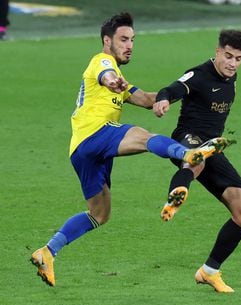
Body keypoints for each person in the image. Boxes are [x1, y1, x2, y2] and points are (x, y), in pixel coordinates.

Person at [30, 12, 229, 287]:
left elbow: (145, 98)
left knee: (100, 214)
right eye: (123, 39)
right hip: (95, 133)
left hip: (80, 151)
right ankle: (187, 154)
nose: (130, 45)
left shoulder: (120, 80)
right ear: (107, 40)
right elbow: (107, 75)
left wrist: (174, 93)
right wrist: (112, 80)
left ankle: (47, 252)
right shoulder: (102, 62)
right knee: (143, 136)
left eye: (133, 40)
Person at [153, 29, 241, 293]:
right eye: (228, 56)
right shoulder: (199, 74)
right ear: (218, 51)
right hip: (187, 139)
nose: (233, 63)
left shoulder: (231, 76)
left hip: (214, 149)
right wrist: (164, 99)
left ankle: (209, 272)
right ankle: (175, 197)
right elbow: (173, 87)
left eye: (239, 58)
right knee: (195, 159)